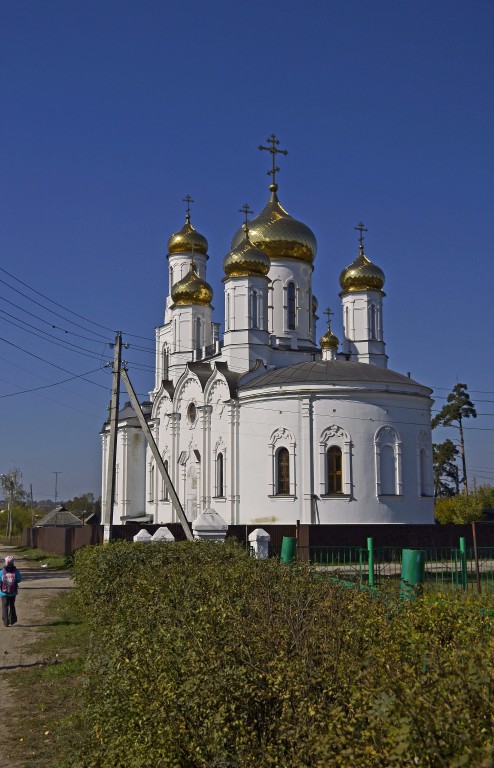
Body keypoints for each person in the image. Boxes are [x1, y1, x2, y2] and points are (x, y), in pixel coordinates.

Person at [1, 555, 22, 627]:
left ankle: (5, 622)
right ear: (13, 563)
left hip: (3, 593)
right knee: (12, 605)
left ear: (5, 562)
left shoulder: (2, 571)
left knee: (4, 606)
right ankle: (12, 620)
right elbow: (19, 580)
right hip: (13, 592)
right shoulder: (15, 571)